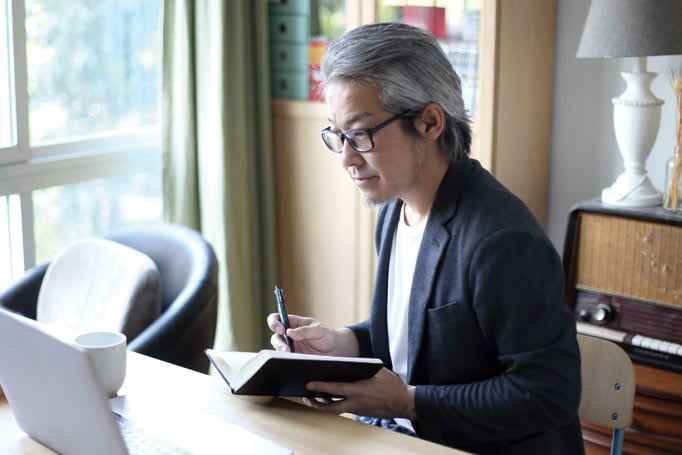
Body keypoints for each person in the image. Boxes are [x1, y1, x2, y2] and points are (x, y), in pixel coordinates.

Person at [267, 22, 584, 455]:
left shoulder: (501, 241)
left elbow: (549, 393)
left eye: (360, 134)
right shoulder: (395, 209)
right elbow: (417, 339)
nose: (346, 158)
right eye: (338, 135)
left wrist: (406, 402)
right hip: (400, 438)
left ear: (429, 121)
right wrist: (342, 343)